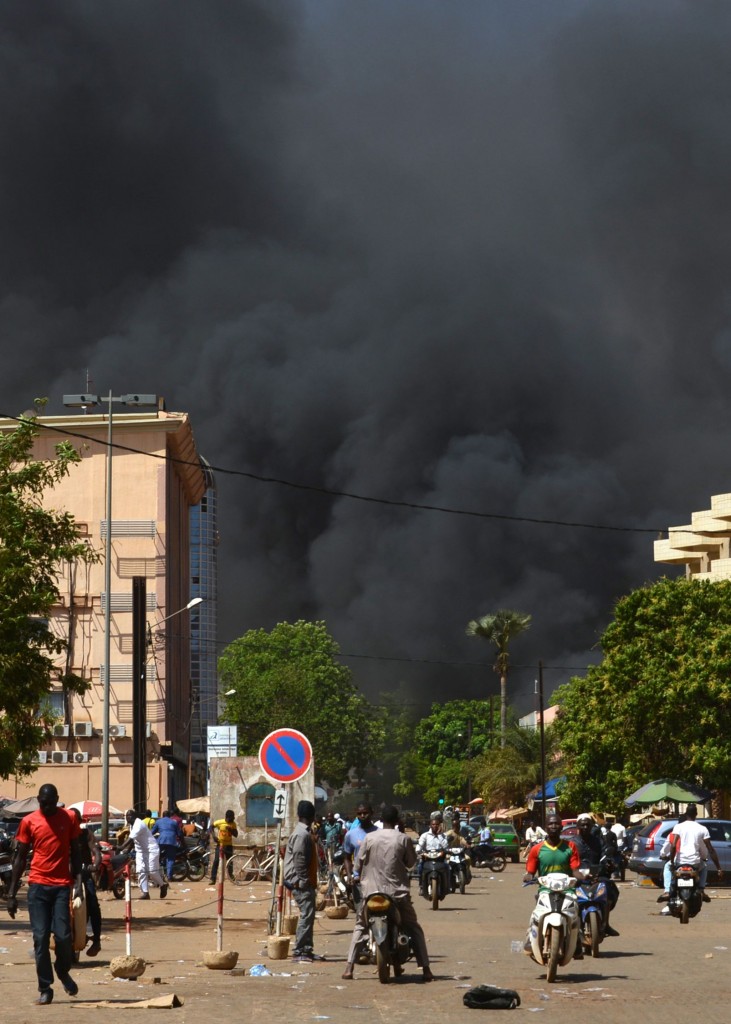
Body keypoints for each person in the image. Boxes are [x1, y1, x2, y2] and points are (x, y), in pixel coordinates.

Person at [6, 784, 82, 1004]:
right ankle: (45, 987)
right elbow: (19, 858)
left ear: (57, 799)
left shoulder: (69, 818)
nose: (45, 807)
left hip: (61, 887)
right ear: (38, 800)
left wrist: (78, 880)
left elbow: (75, 850)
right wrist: (11, 893)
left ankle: (62, 969)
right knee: (40, 939)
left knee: (64, 937)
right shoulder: (29, 821)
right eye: (42, 803)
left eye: (49, 803)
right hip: (38, 886)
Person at [342, 804, 434, 982]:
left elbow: (357, 865)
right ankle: (426, 969)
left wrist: (357, 877)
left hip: (370, 892)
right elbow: (410, 863)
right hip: (397, 893)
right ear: (397, 820)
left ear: (381, 820)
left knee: (361, 926)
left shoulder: (369, 838)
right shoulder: (403, 839)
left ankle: (349, 967)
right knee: (413, 927)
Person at [523, 812, 583, 958]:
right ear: (546, 827)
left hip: (567, 889)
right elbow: (530, 870)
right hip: (546, 889)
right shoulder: (537, 849)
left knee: (574, 912)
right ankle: (530, 939)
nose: (554, 826)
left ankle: (577, 942)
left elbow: (575, 869)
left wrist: (582, 877)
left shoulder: (570, 847)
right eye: (550, 824)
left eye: (557, 823)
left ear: (561, 827)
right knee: (536, 914)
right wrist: (529, 876)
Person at [283, 800, 324, 963]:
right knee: (306, 916)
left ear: (299, 815)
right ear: (313, 816)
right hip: (300, 883)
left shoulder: (304, 833)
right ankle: (299, 950)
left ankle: (307, 949)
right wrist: (304, 881)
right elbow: (299, 860)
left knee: (309, 915)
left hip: (303, 881)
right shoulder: (301, 834)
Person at [573, 813, 620, 937]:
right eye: (582, 825)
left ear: (592, 826)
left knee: (610, 889)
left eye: (587, 825)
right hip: (577, 876)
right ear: (578, 826)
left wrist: (608, 864)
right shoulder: (572, 843)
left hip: (597, 875)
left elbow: (605, 855)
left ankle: (605, 923)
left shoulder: (599, 841)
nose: (585, 827)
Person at [664, 804, 723, 901]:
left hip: (680, 861)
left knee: (670, 870)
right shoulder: (702, 829)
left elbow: (673, 846)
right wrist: (719, 868)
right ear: (696, 814)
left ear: (686, 814)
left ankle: (667, 891)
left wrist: (672, 862)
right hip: (695, 863)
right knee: (704, 867)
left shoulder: (678, 827)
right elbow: (710, 849)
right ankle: (701, 889)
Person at [69, 809, 102, 957]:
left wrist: (95, 865)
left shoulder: (85, 835)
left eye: (75, 820)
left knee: (93, 904)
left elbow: (95, 851)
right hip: (66, 876)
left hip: (84, 874)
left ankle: (96, 940)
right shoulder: (62, 834)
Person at [119, 810, 168, 899]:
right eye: (126, 816)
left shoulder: (139, 824)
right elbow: (134, 839)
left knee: (152, 871)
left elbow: (130, 838)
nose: (127, 817)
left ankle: (162, 885)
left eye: (129, 816)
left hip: (151, 849)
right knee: (140, 871)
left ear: (134, 816)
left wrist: (121, 847)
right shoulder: (132, 826)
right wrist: (128, 850)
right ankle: (145, 893)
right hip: (140, 851)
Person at [152, 810, 184, 880]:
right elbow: (179, 834)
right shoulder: (174, 822)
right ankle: (169, 877)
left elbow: (152, 832)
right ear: (170, 816)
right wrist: (183, 843)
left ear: (162, 816)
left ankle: (156, 874)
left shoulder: (158, 822)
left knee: (156, 857)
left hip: (161, 841)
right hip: (172, 841)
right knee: (170, 859)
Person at [209, 809, 238, 884]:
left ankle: (231, 876)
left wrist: (231, 830)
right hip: (220, 845)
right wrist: (213, 836)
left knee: (230, 861)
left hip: (229, 845)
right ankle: (212, 878)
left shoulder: (233, 824)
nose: (233, 819)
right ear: (227, 817)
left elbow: (236, 835)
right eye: (231, 818)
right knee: (216, 861)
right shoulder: (220, 822)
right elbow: (210, 827)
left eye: (233, 818)